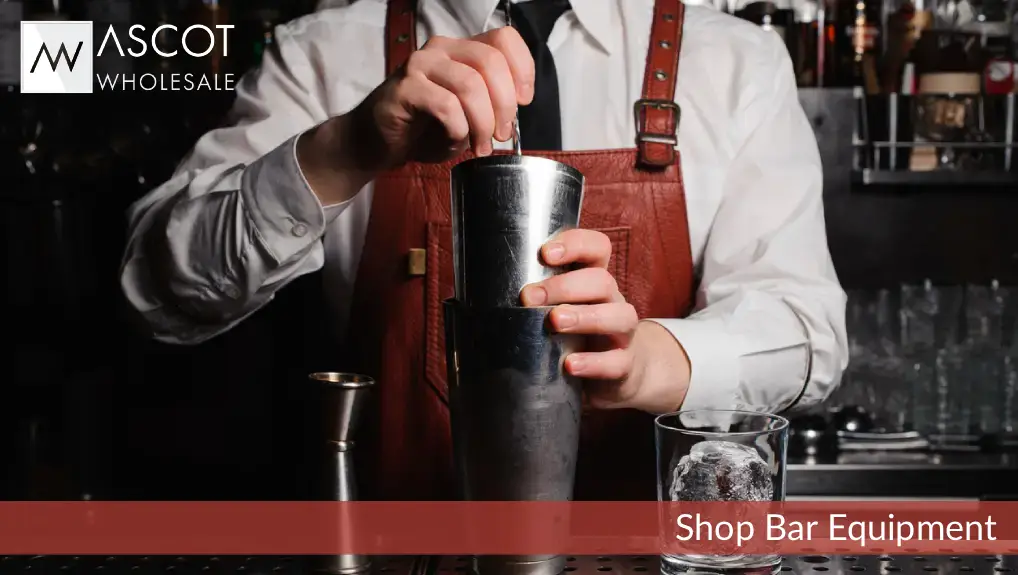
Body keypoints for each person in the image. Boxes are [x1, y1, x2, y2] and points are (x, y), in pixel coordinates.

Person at [120, 0, 849, 500]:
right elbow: (156, 292)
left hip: (649, 555)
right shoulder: (324, 52)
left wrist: (654, 359)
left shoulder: (735, 62)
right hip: (402, 552)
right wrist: (345, 148)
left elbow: (807, 332)